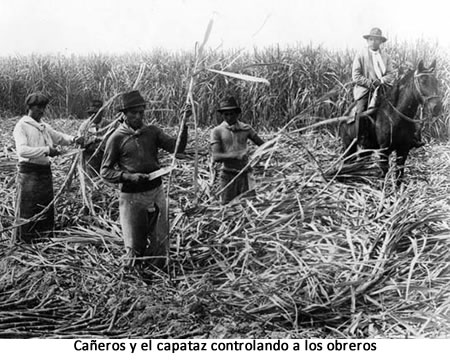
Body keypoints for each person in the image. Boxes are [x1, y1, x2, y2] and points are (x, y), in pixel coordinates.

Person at [101, 90, 191, 270]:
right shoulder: (117, 138)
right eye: (133, 112)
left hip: (156, 192)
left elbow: (176, 148)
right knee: (135, 243)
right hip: (132, 197)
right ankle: (135, 278)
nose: (138, 116)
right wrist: (129, 177)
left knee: (160, 238)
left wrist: (184, 123)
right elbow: (105, 171)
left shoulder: (152, 132)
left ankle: (158, 273)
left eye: (141, 112)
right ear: (124, 114)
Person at [13, 92, 84, 243]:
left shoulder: (43, 126)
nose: (42, 111)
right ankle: (26, 241)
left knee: (45, 204)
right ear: (30, 107)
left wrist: (74, 139)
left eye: (43, 107)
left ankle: (44, 238)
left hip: (44, 171)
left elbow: (59, 137)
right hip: (29, 172)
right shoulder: (22, 126)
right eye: (38, 107)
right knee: (29, 207)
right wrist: (47, 150)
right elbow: (22, 151)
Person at [352, 27, 424, 148]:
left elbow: (391, 74)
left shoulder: (386, 56)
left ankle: (411, 137)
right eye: (371, 39)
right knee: (361, 111)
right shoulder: (360, 55)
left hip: (384, 88)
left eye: (377, 40)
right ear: (368, 40)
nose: (374, 42)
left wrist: (381, 81)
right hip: (366, 90)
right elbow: (356, 75)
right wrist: (370, 83)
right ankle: (362, 138)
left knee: (404, 106)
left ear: (381, 42)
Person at [210, 96, 265, 204]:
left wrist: (258, 155)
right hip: (227, 176)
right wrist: (236, 155)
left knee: (249, 206)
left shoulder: (246, 129)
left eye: (232, 114)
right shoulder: (217, 131)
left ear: (237, 113)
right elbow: (216, 156)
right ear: (222, 115)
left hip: (245, 175)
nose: (229, 117)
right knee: (227, 209)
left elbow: (263, 145)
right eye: (226, 114)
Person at [78, 99, 109, 177]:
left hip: (106, 157)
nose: (95, 116)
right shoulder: (84, 126)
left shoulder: (108, 124)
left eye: (97, 113)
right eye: (92, 113)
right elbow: (80, 144)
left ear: (101, 113)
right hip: (90, 158)